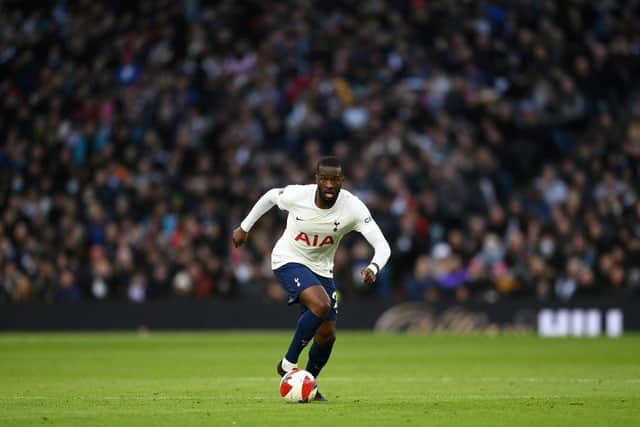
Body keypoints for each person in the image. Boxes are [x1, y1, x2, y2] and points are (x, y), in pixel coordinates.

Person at [232, 156, 391, 401]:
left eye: (334, 179)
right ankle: (288, 363)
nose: (329, 184)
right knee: (321, 304)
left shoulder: (353, 207)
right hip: (288, 259)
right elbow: (271, 196)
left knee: (327, 334)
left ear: (342, 181)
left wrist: (374, 267)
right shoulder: (298, 196)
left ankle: (308, 383)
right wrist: (244, 227)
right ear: (316, 179)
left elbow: (383, 246)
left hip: (322, 269)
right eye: (324, 179)